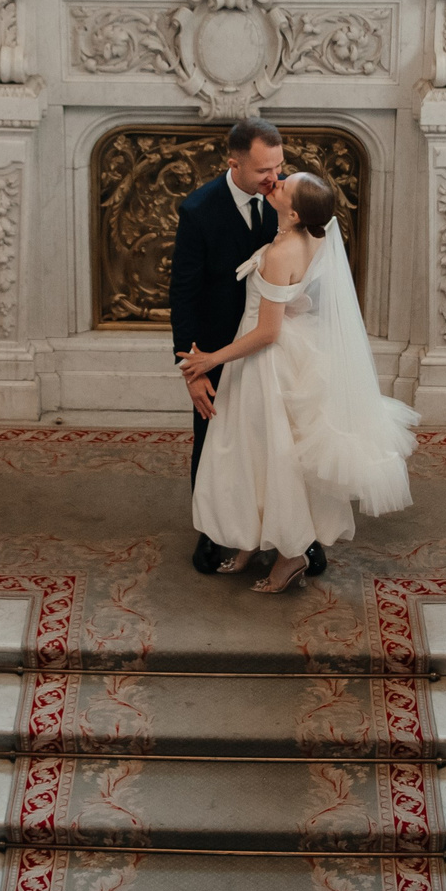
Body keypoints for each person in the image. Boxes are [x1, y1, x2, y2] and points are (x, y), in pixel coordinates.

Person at [179, 171, 418, 593]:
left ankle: (289, 558)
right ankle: (253, 540)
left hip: (265, 362)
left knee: (270, 456)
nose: (278, 181)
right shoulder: (318, 234)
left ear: (292, 211)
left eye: (285, 185)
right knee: (256, 453)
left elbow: (267, 332)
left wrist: (210, 360)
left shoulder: (281, 252)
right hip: (289, 351)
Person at [171, 119, 286, 574]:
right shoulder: (198, 210)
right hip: (218, 347)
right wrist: (192, 371)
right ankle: (212, 530)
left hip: (276, 342)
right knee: (212, 440)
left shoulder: (286, 198)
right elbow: (183, 294)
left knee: (281, 438)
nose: (274, 177)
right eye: (263, 169)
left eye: (278, 165)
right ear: (232, 163)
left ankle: (297, 532)